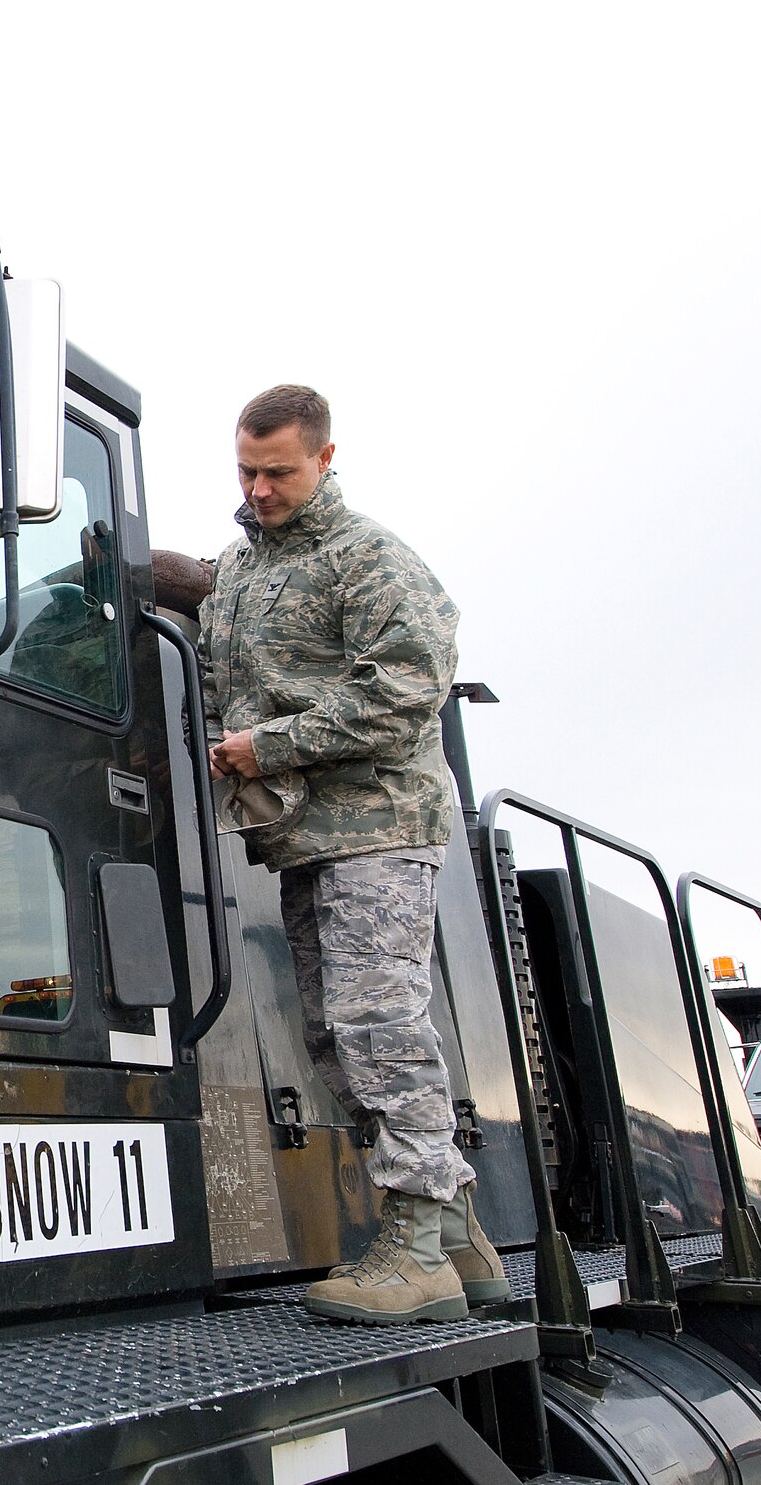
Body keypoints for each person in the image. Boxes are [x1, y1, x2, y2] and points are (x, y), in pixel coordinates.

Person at [197, 384, 504, 1325]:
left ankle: (415, 1248)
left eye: (278, 471)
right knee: (335, 1036)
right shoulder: (242, 573)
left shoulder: (367, 557)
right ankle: (457, 1243)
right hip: (307, 838)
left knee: (379, 1023)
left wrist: (268, 747)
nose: (259, 489)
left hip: (377, 826)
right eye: (246, 471)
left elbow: (410, 687)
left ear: (325, 459)